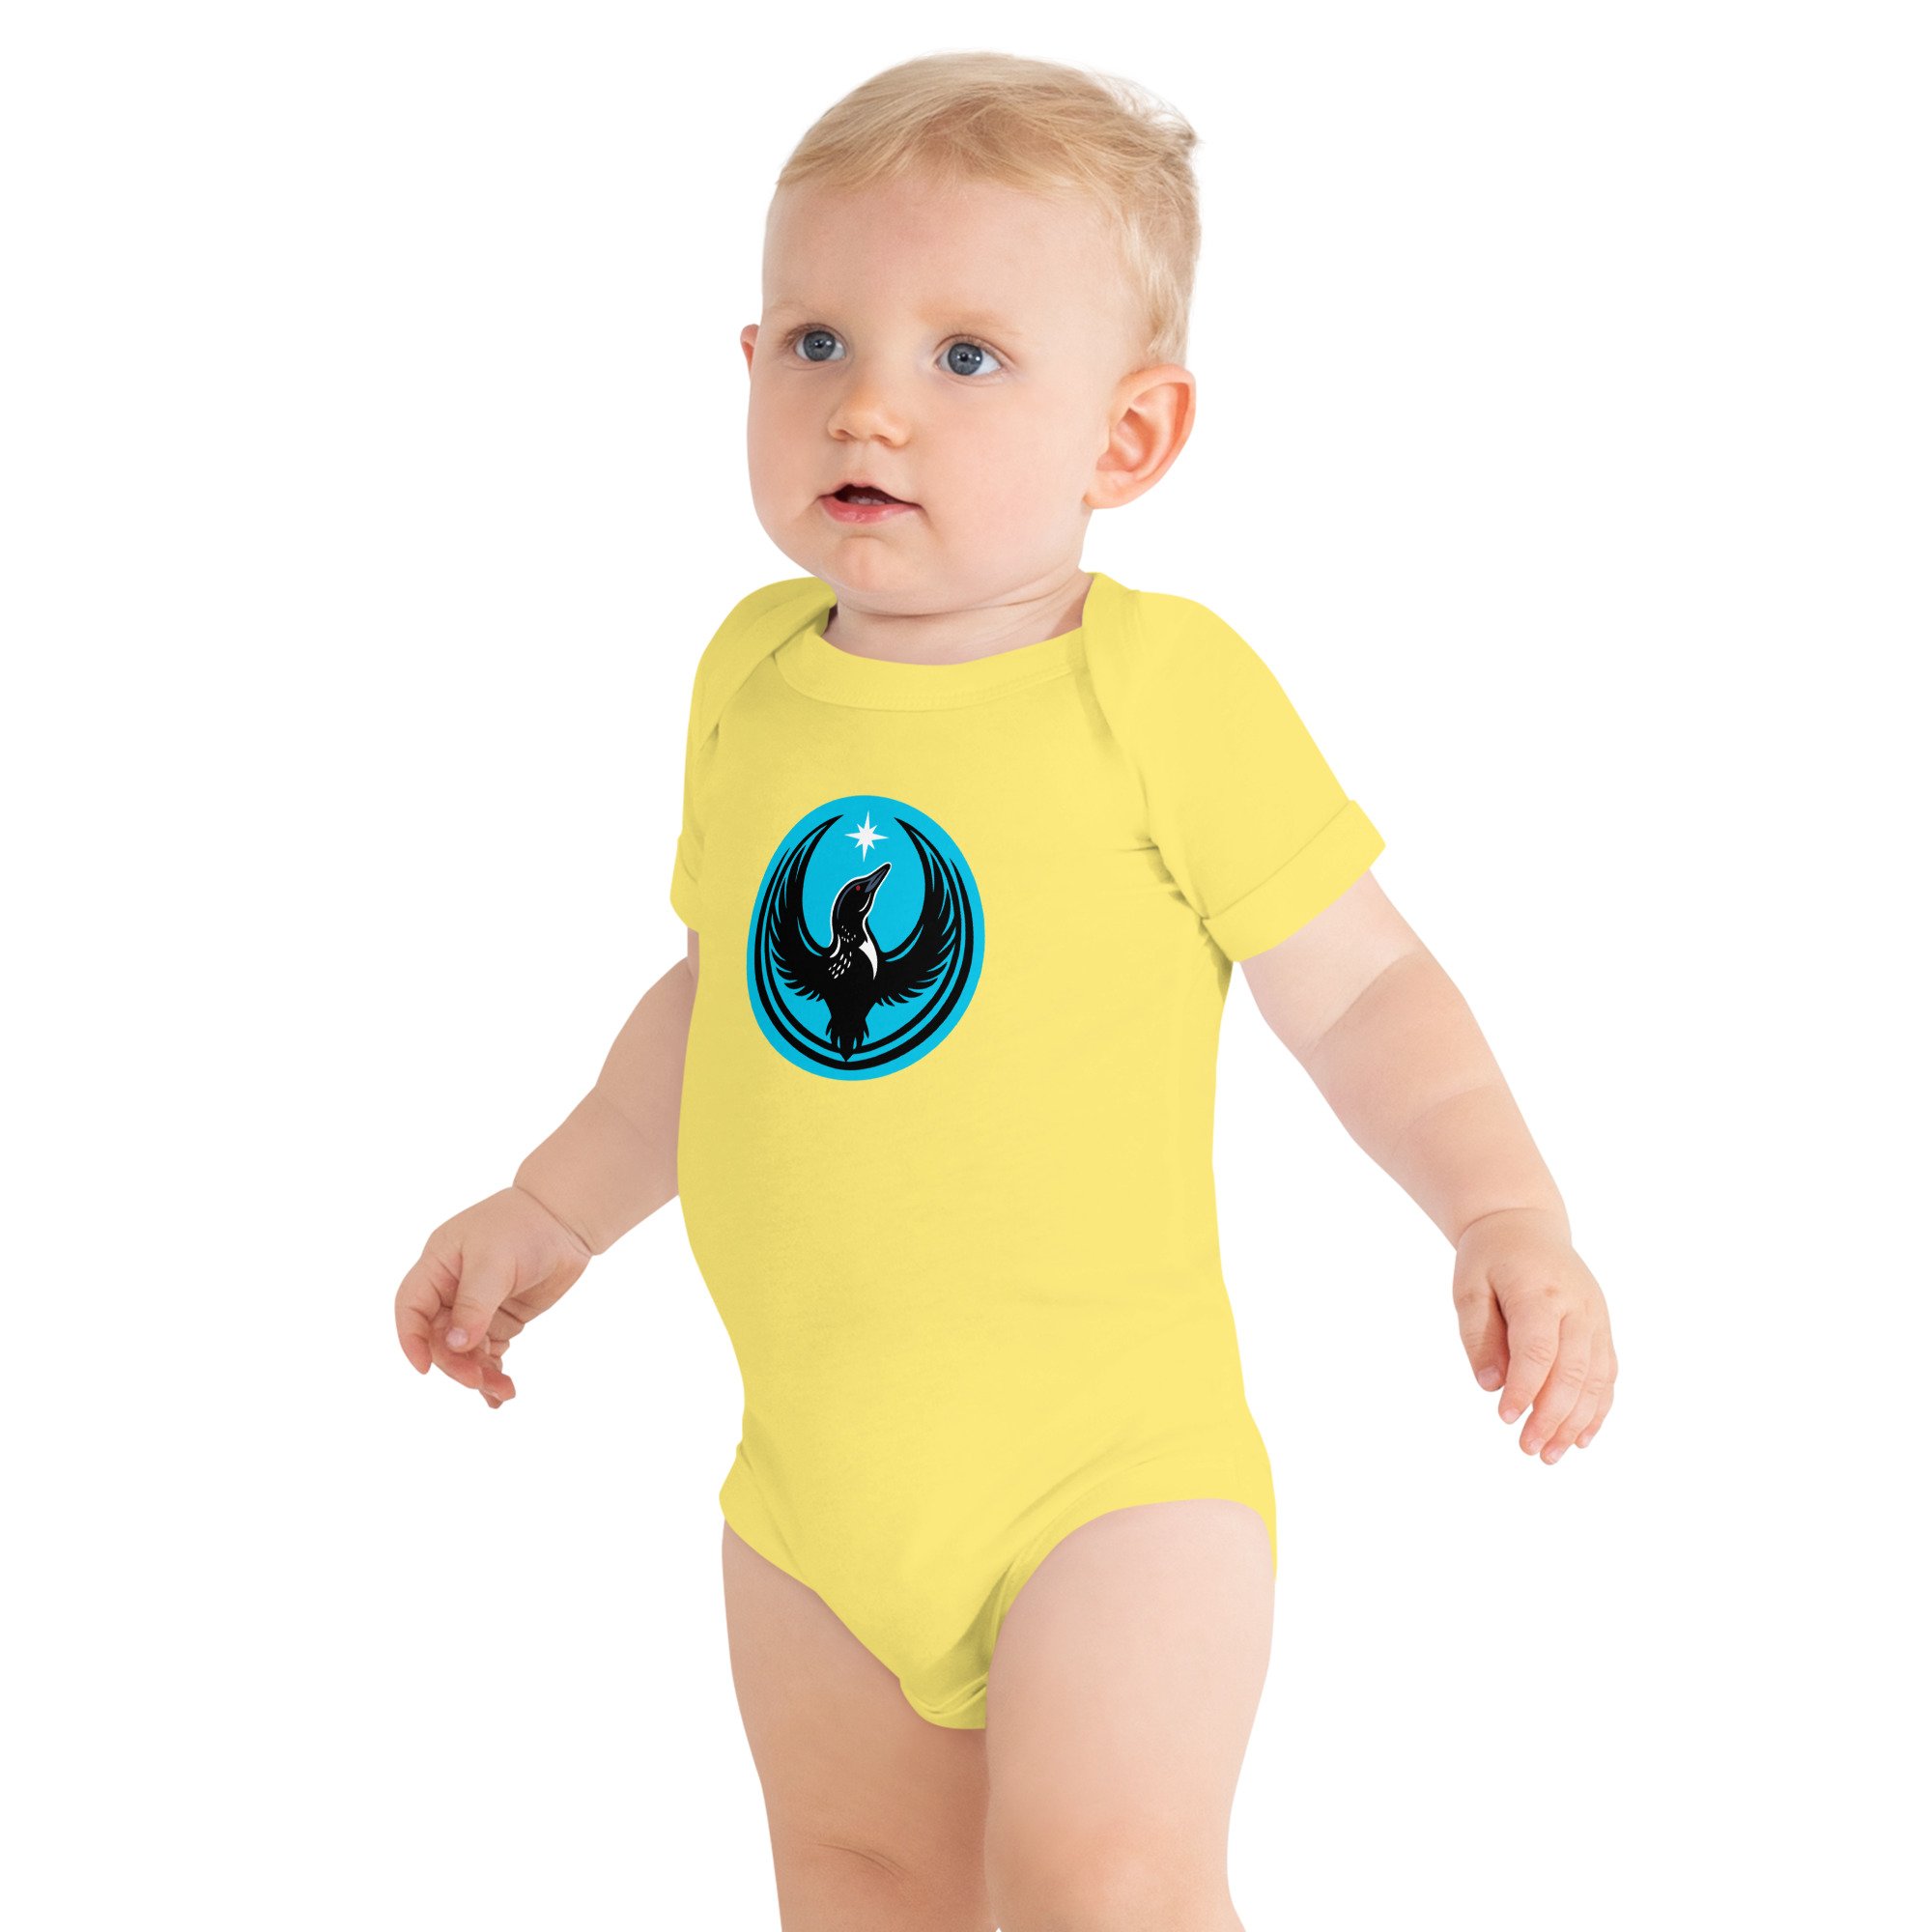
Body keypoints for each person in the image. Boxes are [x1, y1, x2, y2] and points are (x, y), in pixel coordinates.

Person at [393, 49, 1617, 1932]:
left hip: (1108, 1479)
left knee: (1104, 1887)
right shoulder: (750, 678)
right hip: (812, 1492)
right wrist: (552, 1203)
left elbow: (1365, 987)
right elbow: (724, 998)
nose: (870, 401)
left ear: (1127, 439)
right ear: (747, 365)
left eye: (965, 355)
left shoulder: (1159, 690)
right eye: (818, 342)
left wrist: (1502, 1209)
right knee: (860, 1887)